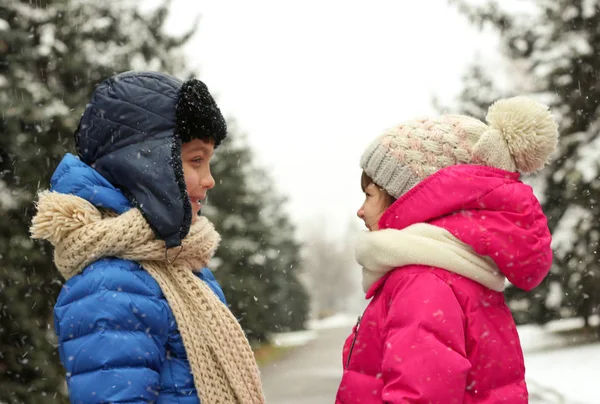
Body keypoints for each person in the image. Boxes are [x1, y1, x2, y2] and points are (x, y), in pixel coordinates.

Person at [30, 71, 265, 404]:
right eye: (196, 160)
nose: (209, 179)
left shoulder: (181, 265)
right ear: (147, 165)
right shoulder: (109, 285)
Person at [335, 96, 559, 403]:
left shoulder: (424, 281)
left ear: (406, 196)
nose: (361, 211)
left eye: (370, 195)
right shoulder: (456, 273)